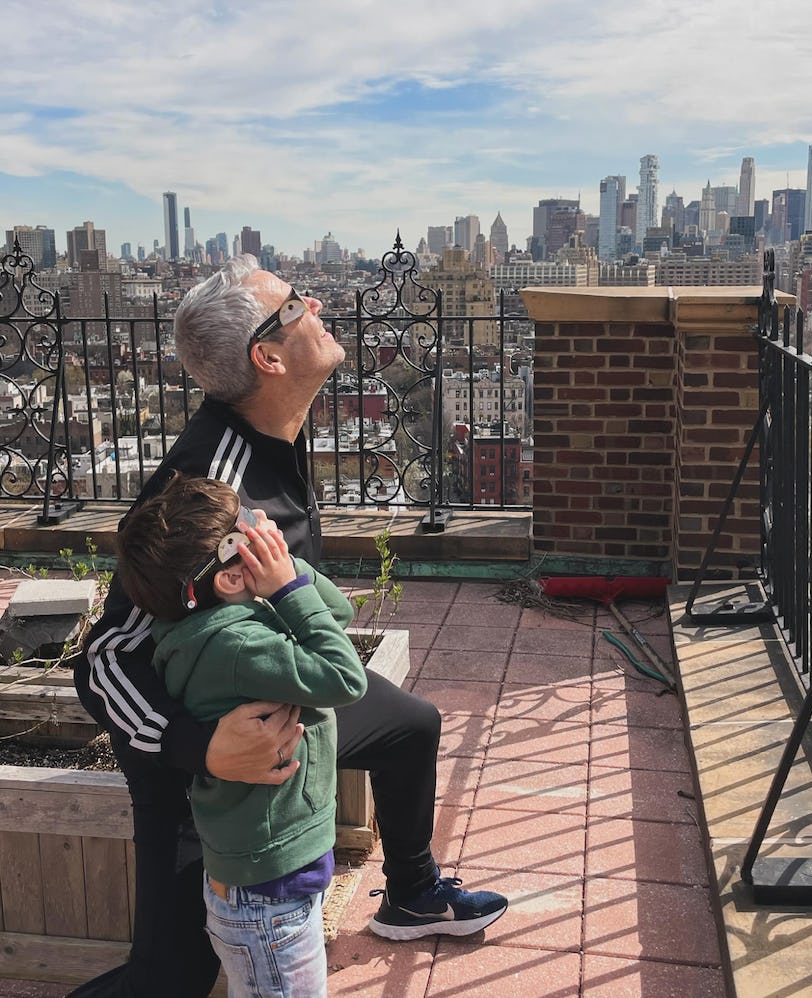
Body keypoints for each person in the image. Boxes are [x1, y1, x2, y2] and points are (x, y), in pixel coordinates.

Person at [72, 255, 507, 997]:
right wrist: (204, 747)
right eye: (296, 304)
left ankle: (412, 893)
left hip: (269, 703)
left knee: (411, 726)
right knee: (172, 977)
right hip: (193, 761)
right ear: (268, 357)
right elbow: (105, 658)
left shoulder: (281, 438)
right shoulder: (212, 483)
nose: (315, 303)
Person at [115, 472, 368, 997]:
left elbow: (337, 612)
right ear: (229, 577)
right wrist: (287, 588)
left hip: (272, 875)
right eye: (249, 529)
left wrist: (284, 576)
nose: (262, 529)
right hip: (267, 895)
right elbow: (345, 676)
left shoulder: (220, 616)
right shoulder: (236, 644)